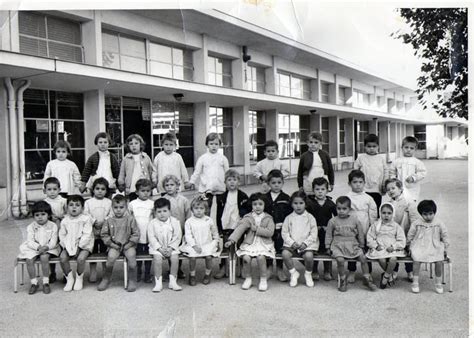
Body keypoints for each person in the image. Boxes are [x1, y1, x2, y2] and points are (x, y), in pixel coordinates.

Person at [225, 193, 275, 291]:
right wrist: (232, 240)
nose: (257, 207)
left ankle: (263, 279)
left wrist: (256, 229)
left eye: (260, 204)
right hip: (250, 243)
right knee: (246, 258)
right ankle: (248, 278)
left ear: (265, 205)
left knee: (261, 258)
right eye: (255, 204)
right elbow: (240, 229)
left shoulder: (268, 218)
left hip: (263, 243)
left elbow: (270, 232)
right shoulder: (248, 217)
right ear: (251, 205)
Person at [325, 196, 377, 292]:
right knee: (340, 260)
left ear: (349, 209)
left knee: (363, 258)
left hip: (352, 243)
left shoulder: (355, 220)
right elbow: (328, 235)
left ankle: (367, 278)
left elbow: (360, 233)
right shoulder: (332, 221)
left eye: (344, 209)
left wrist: (361, 245)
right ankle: (343, 279)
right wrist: (328, 246)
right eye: (339, 208)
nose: (341, 211)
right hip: (338, 244)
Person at [98, 195, 139, 292]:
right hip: (114, 245)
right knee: (111, 258)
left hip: (128, 245)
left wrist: (129, 244)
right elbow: (104, 235)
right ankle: (106, 278)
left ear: (126, 207)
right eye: (116, 207)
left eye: (121, 207)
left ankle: (132, 280)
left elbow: (136, 234)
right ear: (112, 208)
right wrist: (112, 245)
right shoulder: (109, 220)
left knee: (132, 257)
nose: (118, 210)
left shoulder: (130, 219)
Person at [18, 201, 60, 294]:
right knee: (29, 260)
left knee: (44, 257)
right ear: (33, 216)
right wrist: (38, 247)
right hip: (34, 248)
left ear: (48, 215)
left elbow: (53, 240)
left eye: (43, 214)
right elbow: (30, 241)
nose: (40, 217)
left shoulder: (53, 226)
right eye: (37, 215)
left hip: (49, 248)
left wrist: (46, 247)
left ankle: (46, 282)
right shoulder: (31, 227)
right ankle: (34, 283)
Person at [407, 200, 449, 294]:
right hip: (420, 245)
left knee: (438, 261)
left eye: (431, 214)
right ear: (421, 214)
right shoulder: (417, 223)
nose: (428, 217)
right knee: (416, 260)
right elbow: (410, 234)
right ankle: (415, 282)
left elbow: (445, 234)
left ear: (434, 213)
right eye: (425, 214)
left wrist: (445, 246)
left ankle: (438, 282)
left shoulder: (438, 223)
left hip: (434, 245)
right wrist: (408, 245)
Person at [215, 169, 249, 279]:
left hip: (238, 225)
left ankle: (242, 267)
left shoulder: (243, 196)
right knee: (226, 247)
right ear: (225, 182)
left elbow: (247, 212)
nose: (232, 182)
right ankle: (223, 267)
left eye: (234, 180)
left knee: (240, 246)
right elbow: (218, 213)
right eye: (229, 180)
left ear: (239, 182)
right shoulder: (221, 197)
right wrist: (219, 227)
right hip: (226, 225)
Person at [180, 197, 221, 286]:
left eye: (201, 208)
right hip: (193, 244)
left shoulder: (209, 220)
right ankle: (192, 275)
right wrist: (194, 246)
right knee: (192, 257)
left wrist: (216, 241)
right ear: (192, 209)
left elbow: (214, 232)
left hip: (207, 243)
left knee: (208, 257)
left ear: (205, 210)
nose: (199, 211)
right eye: (196, 208)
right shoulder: (189, 221)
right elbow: (188, 235)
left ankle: (207, 274)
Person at [281, 191, 318, 288]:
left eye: (301, 203)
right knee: (285, 254)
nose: (298, 206)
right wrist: (291, 242)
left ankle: (308, 274)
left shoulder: (310, 218)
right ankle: (293, 272)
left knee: (309, 256)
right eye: (295, 203)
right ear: (291, 204)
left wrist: (306, 243)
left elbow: (314, 233)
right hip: (292, 245)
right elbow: (284, 233)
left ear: (305, 204)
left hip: (306, 245)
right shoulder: (289, 218)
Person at [346, 169, 377, 283]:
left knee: (366, 250)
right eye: (355, 182)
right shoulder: (347, 197)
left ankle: (367, 273)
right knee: (352, 249)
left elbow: (373, 213)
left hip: (365, 225)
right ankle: (351, 271)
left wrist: (372, 228)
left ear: (364, 183)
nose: (358, 185)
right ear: (349, 184)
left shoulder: (368, 198)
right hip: (352, 226)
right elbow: (344, 212)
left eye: (360, 182)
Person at [366, 203, 406, 289]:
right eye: (384, 213)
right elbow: (369, 237)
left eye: (389, 213)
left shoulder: (396, 226)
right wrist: (376, 246)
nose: (386, 215)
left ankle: (385, 277)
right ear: (380, 213)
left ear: (393, 214)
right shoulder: (376, 225)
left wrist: (394, 246)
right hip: (380, 247)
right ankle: (389, 274)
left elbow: (402, 240)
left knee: (393, 259)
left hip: (391, 248)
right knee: (381, 259)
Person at [385, 178, 418, 281]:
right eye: (388, 189)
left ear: (401, 189)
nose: (390, 191)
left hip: (406, 229)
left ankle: (410, 271)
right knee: (394, 251)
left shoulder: (408, 201)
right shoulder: (389, 203)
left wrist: (413, 233)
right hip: (394, 233)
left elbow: (414, 218)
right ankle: (394, 270)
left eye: (393, 188)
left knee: (408, 251)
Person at [59, 195, 94, 292]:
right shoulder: (65, 220)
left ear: (82, 208)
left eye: (77, 205)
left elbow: (87, 234)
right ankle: (69, 279)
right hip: (69, 244)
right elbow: (62, 235)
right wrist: (66, 246)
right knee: (62, 258)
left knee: (81, 258)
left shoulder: (86, 219)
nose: (74, 207)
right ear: (67, 208)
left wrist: (79, 246)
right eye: (71, 205)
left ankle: (79, 278)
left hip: (84, 245)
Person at [148, 198, 183, 292]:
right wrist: (159, 249)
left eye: (165, 211)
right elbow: (152, 237)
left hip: (171, 247)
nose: (162, 214)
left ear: (169, 211)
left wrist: (171, 248)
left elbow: (177, 236)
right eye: (159, 211)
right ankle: (158, 283)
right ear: (155, 212)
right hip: (157, 248)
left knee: (175, 258)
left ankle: (173, 282)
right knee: (157, 259)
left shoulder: (175, 222)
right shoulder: (152, 223)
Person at [306, 177, 337, 281]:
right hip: (314, 232)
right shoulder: (310, 203)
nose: (320, 192)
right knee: (315, 250)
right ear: (313, 190)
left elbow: (337, 217)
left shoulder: (330, 203)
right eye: (317, 189)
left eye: (322, 189)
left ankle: (327, 270)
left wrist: (330, 227)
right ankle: (314, 270)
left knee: (327, 250)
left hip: (327, 232)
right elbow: (306, 217)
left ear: (327, 189)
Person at [264, 169, 292, 281]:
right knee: (268, 247)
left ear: (283, 183)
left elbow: (290, 215)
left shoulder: (286, 198)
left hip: (281, 228)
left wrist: (285, 226)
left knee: (280, 248)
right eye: (273, 183)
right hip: (268, 228)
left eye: (279, 182)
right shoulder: (264, 197)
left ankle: (280, 268)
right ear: (268, 183)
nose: (276, 185)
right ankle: (269, 267)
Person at [188, 133, 229, 209]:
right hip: (206, 187)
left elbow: (227, 173)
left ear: (219, 145)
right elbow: (197, 171)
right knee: (206, 207)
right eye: (211, 144)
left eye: (216, 144)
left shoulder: (223, 158)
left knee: (221, 209)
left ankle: (219, 221)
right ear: (207, 145)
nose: (214, 146)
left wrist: (228, 184)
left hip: (220, 187)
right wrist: (191, 182)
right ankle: (206, 220)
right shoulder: (203, 158)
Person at [162, 174, 191, 278]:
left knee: (178, 249)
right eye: (167, 185)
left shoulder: (183, 200)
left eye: (172, 184)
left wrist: (187, 229)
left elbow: (188, 215)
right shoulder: (163, 200)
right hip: (168, 230)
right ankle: (172, 269)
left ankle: (178, 269)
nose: (169, 187)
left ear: (177, 186)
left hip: (181, 228)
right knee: (171, 249)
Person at [83, 177, 113, 283]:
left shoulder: (109, 202)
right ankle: (93, 272)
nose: (100, 191)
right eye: (97, 188)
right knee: (93, 252)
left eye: (103, 189)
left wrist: (104, 221)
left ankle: (105, 273)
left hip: (105, 231)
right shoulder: (88, 202)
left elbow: (111, 214)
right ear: (93, 190)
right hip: (93, 231)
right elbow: (86, 214)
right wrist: (94, 221)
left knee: (104, 252)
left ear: (106, 191)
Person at [353, 134, 389, 213]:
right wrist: (356, 184)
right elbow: (355, 172)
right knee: (364, 207)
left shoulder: (381, 159)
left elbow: (386, 171)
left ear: (378, 146)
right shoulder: (361, 158)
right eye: (369, 146)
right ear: (365, 146)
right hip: (364, 188)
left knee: (376, 208)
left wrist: (384, 183)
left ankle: (375, 223)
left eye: (374, 146)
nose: (371, 148)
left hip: (377, 189)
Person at [128, 178, 154, 283]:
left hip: (148, 233)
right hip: (137, 233)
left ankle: (147, 274)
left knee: (148, 255)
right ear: (137, 192)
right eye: (143, 191)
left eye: (148, 191)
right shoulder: (132, 204)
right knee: (138, 254)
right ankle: (138, 273)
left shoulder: (152, 203)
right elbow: (129, 219)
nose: (145, 193)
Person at [118, 134, 157, 201]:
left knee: (145, 202)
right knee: (133, 202)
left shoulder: (146, 157)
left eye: (136, 143)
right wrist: (121, 183)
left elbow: (151, 170)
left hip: (144, 185)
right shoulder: (126, 159)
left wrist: (153, 181)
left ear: (140, 145)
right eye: (131, 144)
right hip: (132, 186)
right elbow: (122, 172)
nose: (134, 145)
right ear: (128, 146)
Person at [43, 177, 67, 283]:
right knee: (51, 251)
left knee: (62, 252)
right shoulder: (44, 202)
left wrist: (61, 217)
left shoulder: (63, 201)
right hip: (49, 230)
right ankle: (52, 272)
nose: (52, 192)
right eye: (49, 189)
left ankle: (66, 274)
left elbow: (68, 214)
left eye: (54, 189)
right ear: (44, 191)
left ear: (59, 189)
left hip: (62, 228)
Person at [389, 136, 427, 202]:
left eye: (411, 148)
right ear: (402, 148)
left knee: (411, 204)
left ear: (415, 149)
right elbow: (392, 172)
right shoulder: (396, 161)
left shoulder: (417, 162)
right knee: (398, 203)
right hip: (398, 188)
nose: (408, 150)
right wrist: (393, 180)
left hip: (412, 188)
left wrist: (413, 178)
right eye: (406, 147)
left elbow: (422, 172)